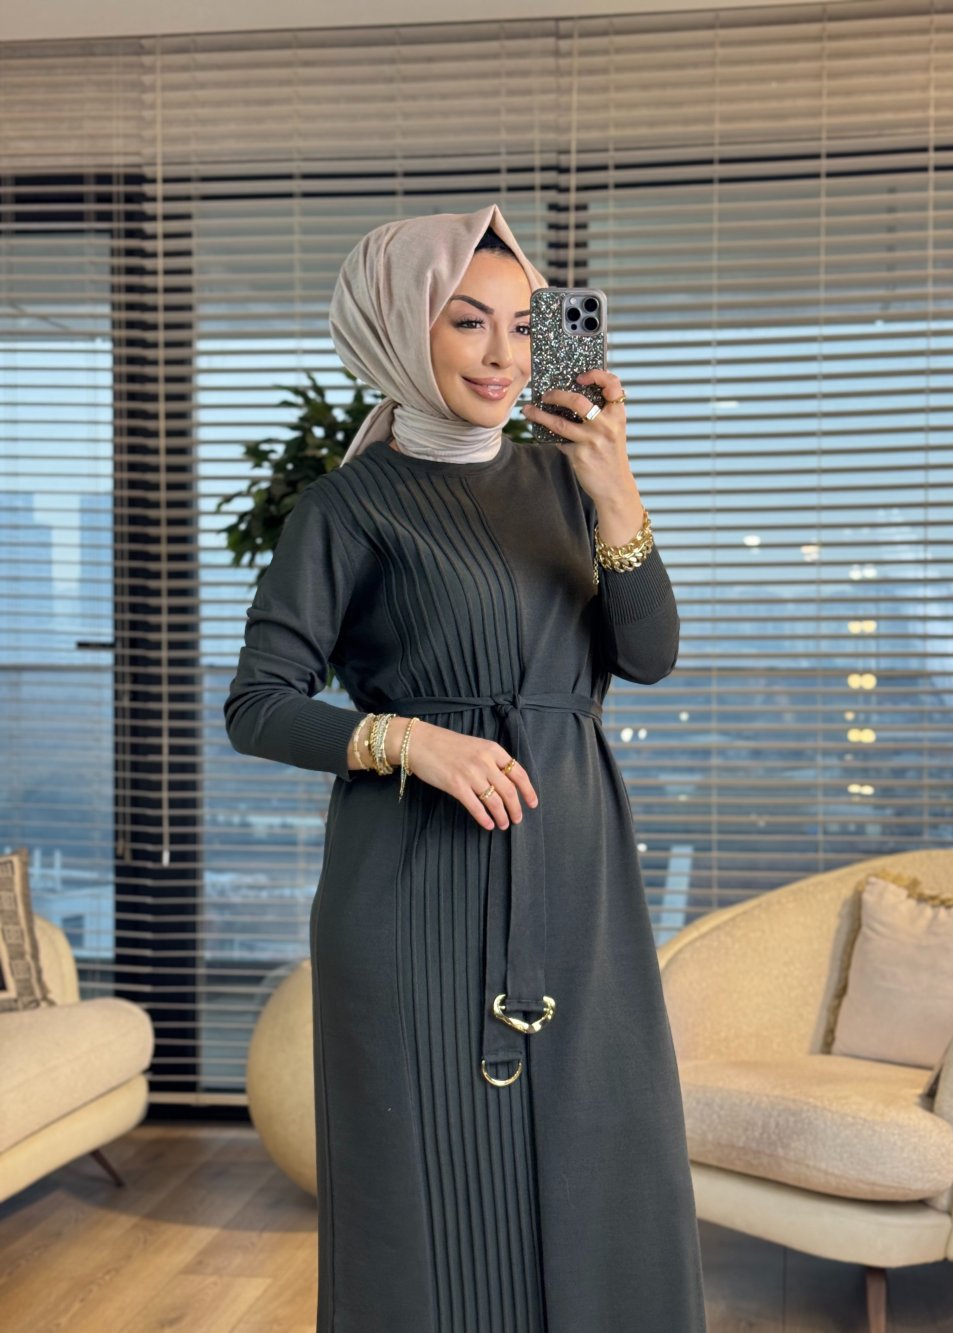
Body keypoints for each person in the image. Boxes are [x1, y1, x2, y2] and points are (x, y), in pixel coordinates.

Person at [224, 203, 707, 1333]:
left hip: (574, 876)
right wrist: (409, 738)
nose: (504, 356)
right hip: (413, 884)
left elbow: (647, 656)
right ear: (404, 328)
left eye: (523, 326)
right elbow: (257, 704)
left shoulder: (566, 483)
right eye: (466, 321)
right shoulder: (344, 508)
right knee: (431, 1197)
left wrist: (614, 485)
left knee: (606, 1164)